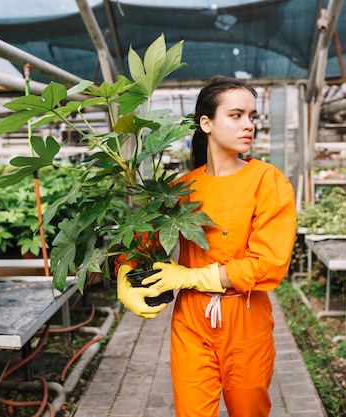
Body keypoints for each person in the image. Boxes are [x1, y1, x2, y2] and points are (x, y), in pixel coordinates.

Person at [117, 76, 297, 417]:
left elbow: (268, 264)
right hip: (190, 322)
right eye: (237, 115)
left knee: (249, 411)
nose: (248, 125)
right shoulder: (181, 186)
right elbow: (141, 237)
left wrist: (187, 277)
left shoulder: (267, 181)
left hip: (246, 320)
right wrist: (124, 273)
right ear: (206, 123)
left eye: (252, 116)